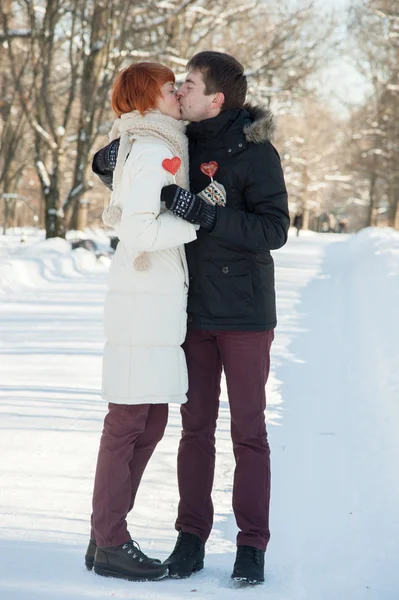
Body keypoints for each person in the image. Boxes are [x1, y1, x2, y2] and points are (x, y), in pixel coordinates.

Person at [94, 51, 290, 585]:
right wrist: (110, 158)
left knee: (248, 432)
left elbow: (274, 231)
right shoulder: (181, 136)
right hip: (193, 310)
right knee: (194, 430)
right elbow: (130, 152)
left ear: (216, 98)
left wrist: (208, 216)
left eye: (189, 84)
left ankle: (251, 544)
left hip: (247, 312)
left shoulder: (257, 152)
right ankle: (191, 538)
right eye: (178, 84)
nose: (179, 90)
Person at [85, 62, 199, 583]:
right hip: (141, 302)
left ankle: (105, 533)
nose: (177, 92)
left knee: (147, 422)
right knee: (129, 423)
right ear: (145, 96)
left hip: (151, 303)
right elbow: (140, 232)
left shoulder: (156, 142)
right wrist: (197, 219)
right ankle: (110, 539)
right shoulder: (152, 148)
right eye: (168, 86)